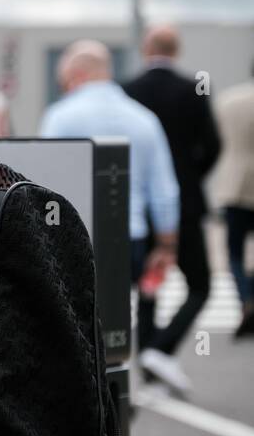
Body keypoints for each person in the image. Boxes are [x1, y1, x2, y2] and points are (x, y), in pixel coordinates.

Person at [39, 40, 186, 393]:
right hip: (129, 235)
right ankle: (116, 386)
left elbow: (43, 181)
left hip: (74, 234)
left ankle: (90, 394)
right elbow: (164, 189)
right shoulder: (144, 119)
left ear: (76, 75)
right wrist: (166, 245)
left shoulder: (61, 115)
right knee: (118, 319)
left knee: (76, 320)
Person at [123, 25, 223, 384]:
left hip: (141, 202)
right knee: (200, 284)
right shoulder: (193, 88)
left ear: (145, 48)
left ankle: (149, 355)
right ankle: (161, 348)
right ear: (176, 50)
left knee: (150, 281)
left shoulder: (128, 90)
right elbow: (212, 144)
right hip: (185, 200)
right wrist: (192, 176)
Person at [213, 59, 254, 337]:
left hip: (235, 180)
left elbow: (214, 142)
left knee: (235, 250)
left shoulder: (228, 101)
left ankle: (245, 299)